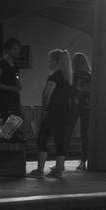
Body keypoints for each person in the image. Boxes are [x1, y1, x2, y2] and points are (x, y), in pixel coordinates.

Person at [32, 50, 73, 178]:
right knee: (60, 141)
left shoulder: (54, 76)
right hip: (65, 113)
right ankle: (58, 170)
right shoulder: (67, 77)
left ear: (56, 61)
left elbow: (47, 94)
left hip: (53, 112)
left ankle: (39, 170)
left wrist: (44, 109)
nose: (49, 63)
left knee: (42, 139)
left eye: (50, 60)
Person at [0, 37, 24, 130]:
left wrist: (18, 84)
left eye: (18, 49)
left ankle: (12, 138)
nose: (17, 51)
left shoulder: (15, 65)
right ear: (8, 50)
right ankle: (5, 139)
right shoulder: (1, 64)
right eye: (15, 49)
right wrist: (11, 88)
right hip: (4, 100)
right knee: (6, 122)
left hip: (14, 99)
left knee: (18, 120)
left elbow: (16, 77)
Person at [70, 51, 93, 169]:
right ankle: (83, 161)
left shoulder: (72, 75)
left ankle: (61, 160)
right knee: (85, 134)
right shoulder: (90, 75)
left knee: (68, 132)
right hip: (87, 106)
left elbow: (70, 91)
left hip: (74, 105)